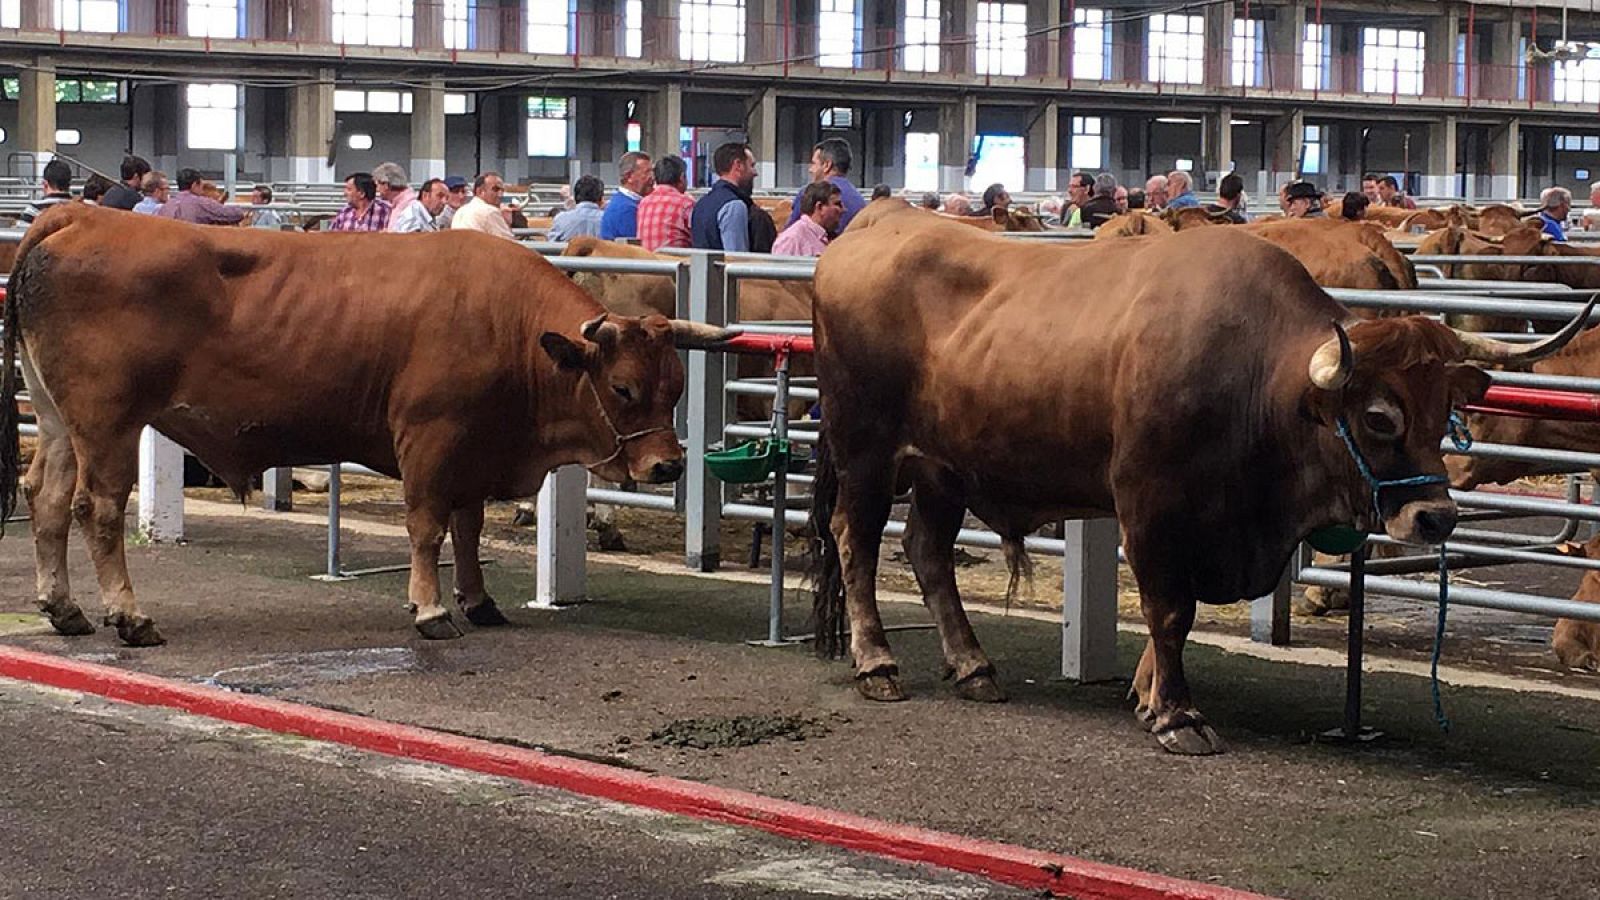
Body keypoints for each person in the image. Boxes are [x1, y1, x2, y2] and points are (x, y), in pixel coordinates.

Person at [691, 141, 762, 252]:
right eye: (751, 165)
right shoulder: (734, 206)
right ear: (738, 165)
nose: (755, 173)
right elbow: (736, 259)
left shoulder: (701, 203)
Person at [784, 137, 866, 231]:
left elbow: (790, 232)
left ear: (827, 165)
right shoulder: (860, 201)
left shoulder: (809, 194)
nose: (810, 169)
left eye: (814, 164)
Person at [636, 154, 696, 251]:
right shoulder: (686, 204)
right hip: (676, 262)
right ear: (682, 177)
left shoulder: (643, 203)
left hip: (647, 262)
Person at [154, 167, 247, 226]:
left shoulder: (166, 206)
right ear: (194, 185)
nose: (202, 190)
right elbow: (229, 213)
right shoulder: (201, 203)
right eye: (201, 186)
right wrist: (241, 210)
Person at [772, 182, 843, 256]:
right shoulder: (791, 240)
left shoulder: (830, 237)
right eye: (837, 204)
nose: (843, 210)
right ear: (820, 207)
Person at [599, 151, 654, 240]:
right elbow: (637, 247)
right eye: (647, 172)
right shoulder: (626, 209)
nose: (652, 177)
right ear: (629, 177)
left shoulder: (621, 202)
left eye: (652, 172)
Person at [449, 172, 515, 239]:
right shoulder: (490, 211)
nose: (500, 195)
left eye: (502, 190)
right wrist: (507, 222)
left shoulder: (460, 211)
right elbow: (509, 244)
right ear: (480, 191)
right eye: (495, 189)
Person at [549, 175, 605, 241]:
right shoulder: (609, 221)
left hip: (568, 250)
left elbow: (551, 245)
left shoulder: (560, 219)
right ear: (601, 199)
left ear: (575, 198)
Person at [20, 159, 75, 226]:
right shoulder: (80, 209)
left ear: (45, 184)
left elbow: (23, 234)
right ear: (69, 183)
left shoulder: (34, 209)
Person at [372, 162, 415, 229]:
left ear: (385, 185)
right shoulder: (397, 204)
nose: (377, 189)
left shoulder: (410, 206)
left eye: (377, 185)